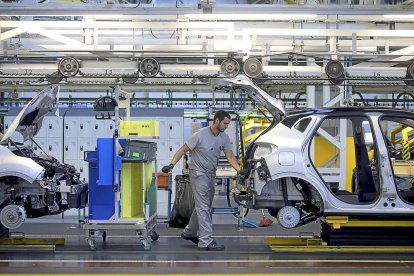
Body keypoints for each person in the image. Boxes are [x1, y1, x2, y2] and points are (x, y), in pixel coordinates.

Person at [162, 110, 245, 251]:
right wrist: (172, 164)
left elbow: (230, 156)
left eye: (228, 124)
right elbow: (183, 149)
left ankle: (189, 232)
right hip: (198, 173)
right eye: (225, 123)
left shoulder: (223, 138)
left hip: (211, 174)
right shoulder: (200, 135)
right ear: (217, 121)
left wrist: (240, 170)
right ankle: (205, 240)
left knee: (203, 205)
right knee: (204, 207)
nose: (226, 126)